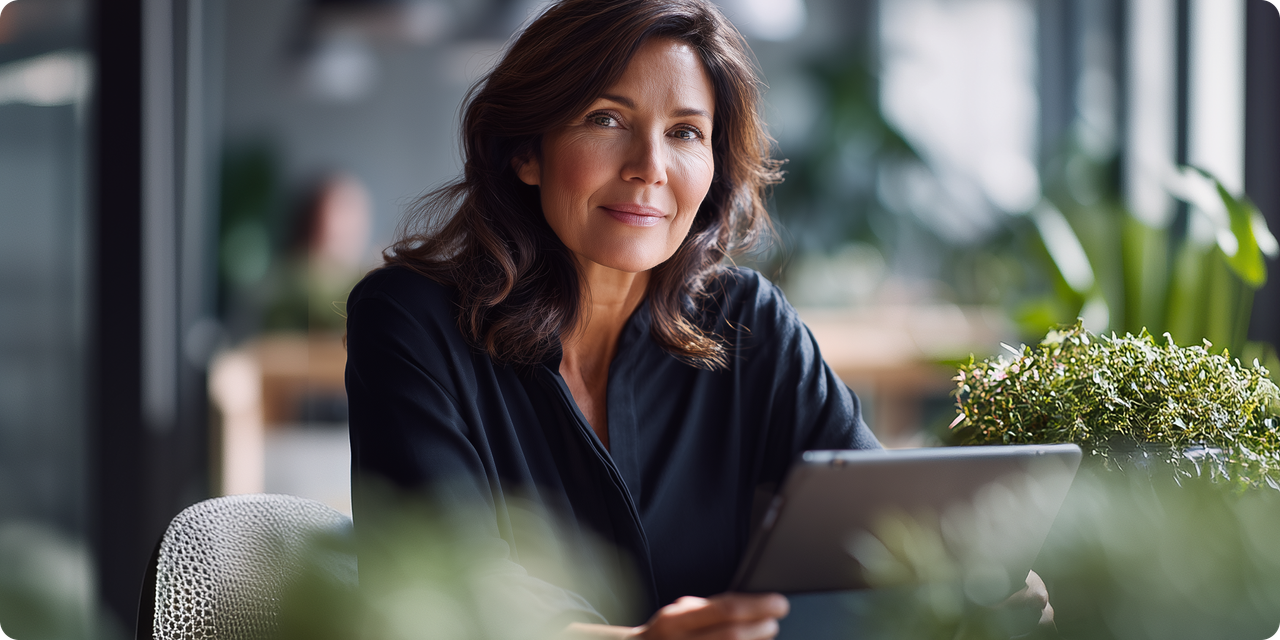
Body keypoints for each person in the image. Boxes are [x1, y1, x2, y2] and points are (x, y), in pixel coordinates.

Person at [344, 1, 1047, 638]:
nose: (649, 166)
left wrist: (970, 589)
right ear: (526, 151)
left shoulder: (748, 322)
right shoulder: (408, 319)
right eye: (607, 119)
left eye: (685, 132)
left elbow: (878, 530)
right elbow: (443, 590)